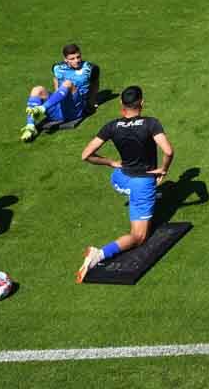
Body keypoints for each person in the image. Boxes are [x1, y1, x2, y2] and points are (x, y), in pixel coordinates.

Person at [76, 86, 173, 282]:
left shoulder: (111, 126)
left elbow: (86, 155)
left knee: (141, 190)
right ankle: (99, 254)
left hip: (119, 178)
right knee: (139, 237)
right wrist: (163, 169)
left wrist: (111, 162)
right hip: (141, 183)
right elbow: (168, 152)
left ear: (122, 105)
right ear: (142, 103)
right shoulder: (151, 123)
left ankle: (140, 196)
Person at [22, 43, 95, 142]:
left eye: (78, 57)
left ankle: (42, 108)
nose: (77, 60)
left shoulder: (90, 68)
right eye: (72, 58)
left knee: (68, 83)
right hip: (58, 110)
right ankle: (30, 127)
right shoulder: (58, 68)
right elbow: (56, 83)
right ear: (65, 59)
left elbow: (95, 86)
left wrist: (91, 104)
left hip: (75, 110)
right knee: (37, 89)